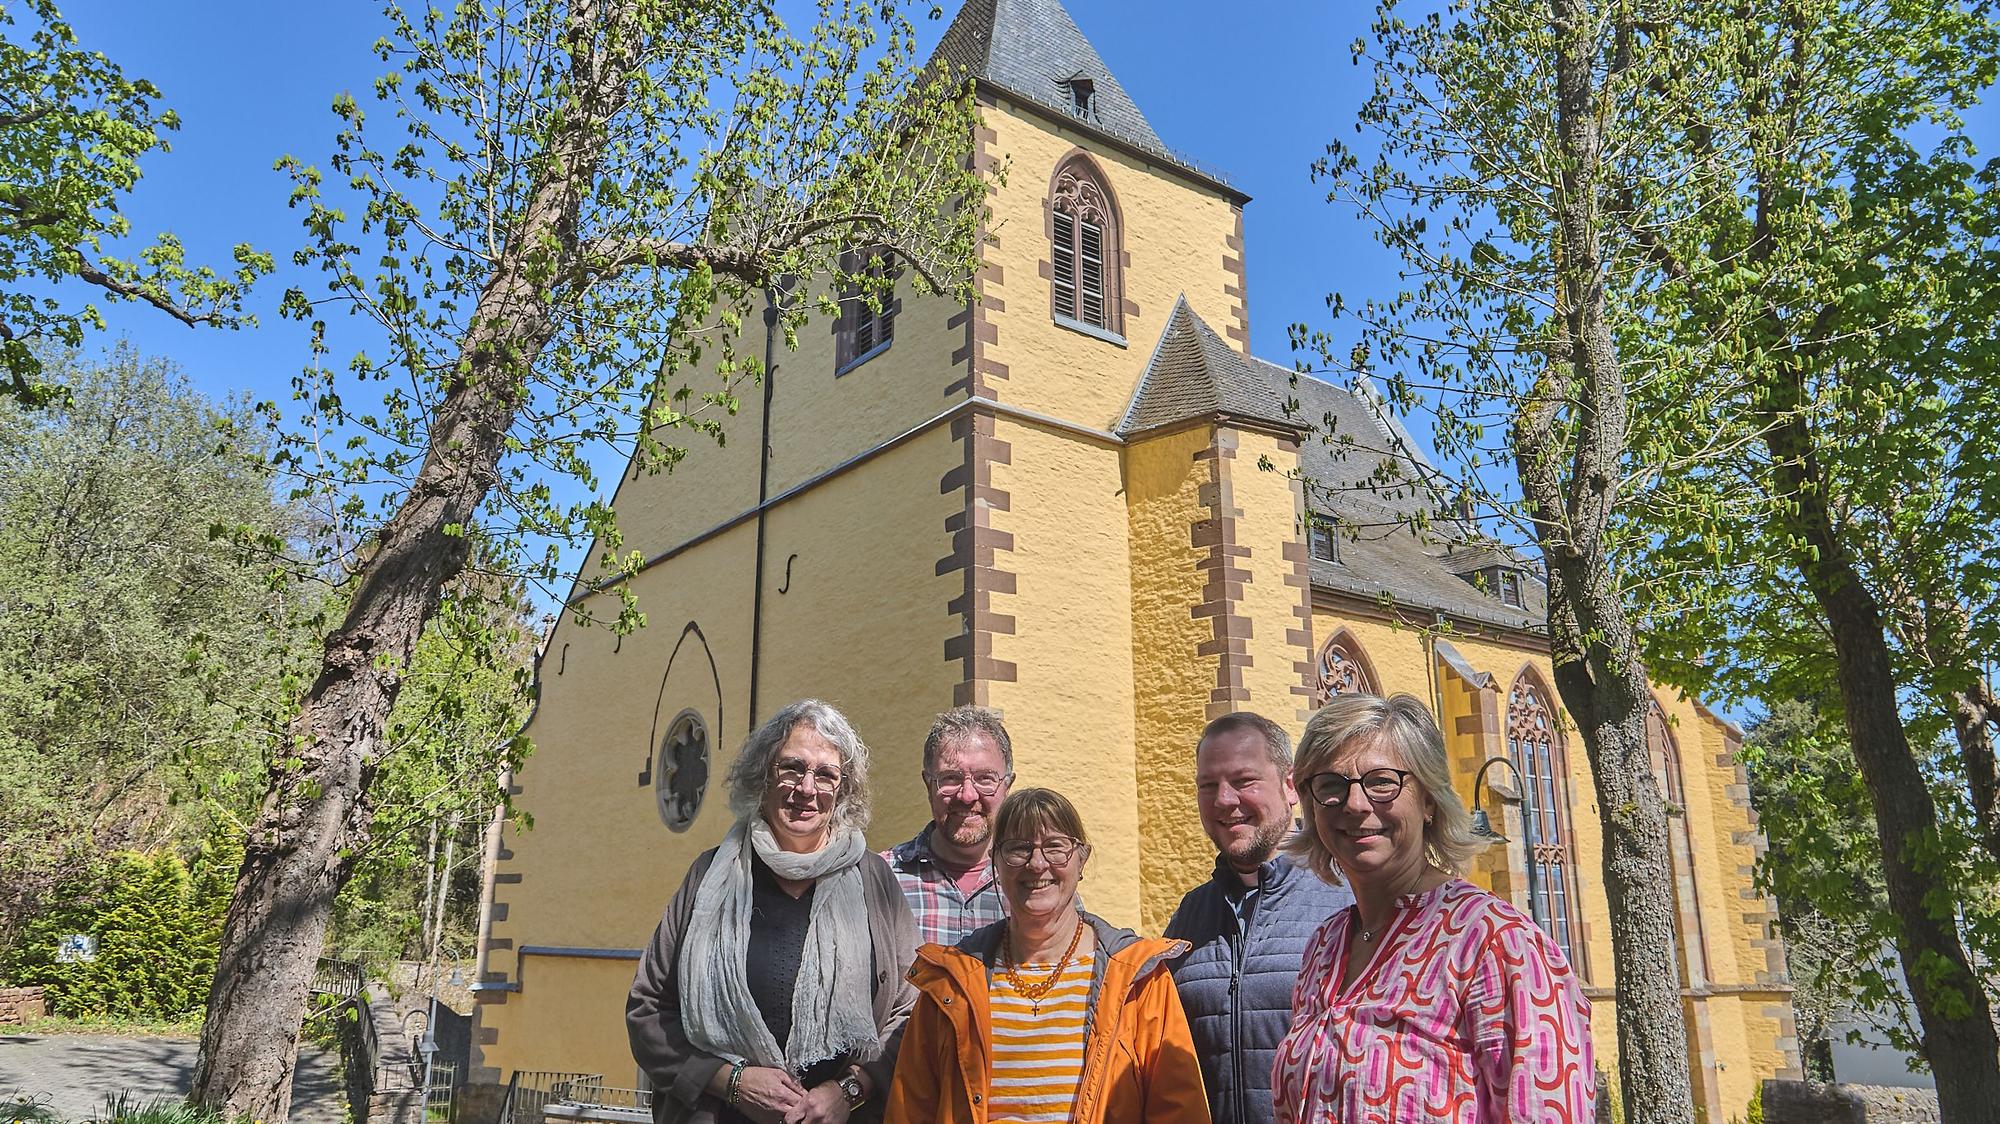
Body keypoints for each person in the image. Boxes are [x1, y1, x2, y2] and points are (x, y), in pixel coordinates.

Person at [1272, 693, 1595, 1123]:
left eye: (1382, 781)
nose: (1355, 804)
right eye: (1330, 785)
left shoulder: (1498, 943)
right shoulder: (1325, 946)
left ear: (1428, 801)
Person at [628, 699, 918, 1124]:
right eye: (792, 767)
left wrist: (850, 1089)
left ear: (843, 789)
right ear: (764, 774)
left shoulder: (874, 881)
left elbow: (911, 1010)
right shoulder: (710, 875)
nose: (807, 788)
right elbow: (648, 1008)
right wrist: (730, 1080)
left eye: (826, 775)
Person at [884, 787, 1210, 1124]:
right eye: (1019, 849)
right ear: (996, 862)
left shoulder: (1139, 981)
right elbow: (909, 1112)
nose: (1037, 864)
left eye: (1055, 847)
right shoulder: (949, 984)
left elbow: (1180, 1113)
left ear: (1081, 859)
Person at [1165, 712, 1353, 1124]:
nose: (1224, 801)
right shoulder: (1190, 915)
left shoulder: (1347, 897)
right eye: (1208, 785)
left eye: (1244, 781)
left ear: (1290, 784)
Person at [879, 706, 1015, 947]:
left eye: (985, 778)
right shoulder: (882, 880)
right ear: (927, 784)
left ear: (1008, 786)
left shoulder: (1035, 881)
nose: (967, 795)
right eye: (950, 778)